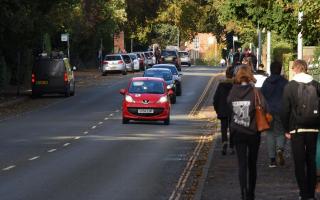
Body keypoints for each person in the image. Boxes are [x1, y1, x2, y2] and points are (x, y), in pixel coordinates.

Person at [281, 59, 320, 200]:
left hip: (296, 129)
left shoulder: (289, 87)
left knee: (299, 162)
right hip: (314, 128)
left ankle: (303, 193)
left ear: (295, 69)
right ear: (306, 68)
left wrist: (286, 129)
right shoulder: (316, 85)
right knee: (311, 161)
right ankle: (311, 193)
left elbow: (285, 110)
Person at [227, 65, 266, 200]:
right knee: (252, 164)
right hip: (253, 132)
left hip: (238, 131)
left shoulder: (233, 91)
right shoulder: (255, 91)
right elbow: (265, 107)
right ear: (250, 75)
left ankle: (243, 192)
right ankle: (251, 193)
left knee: (242, 164)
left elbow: (228, 107)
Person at [261, 61, 288, 168]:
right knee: (281, 132)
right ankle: (280, 149)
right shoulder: (285, 82)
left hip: (268, 112)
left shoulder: (266, 82)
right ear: (280, 69)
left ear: (271, 69)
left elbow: (262, 96)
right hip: (281, 111)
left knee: (270, 134)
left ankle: (272, 160)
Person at [213, 66, 234, 155]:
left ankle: (224, 142)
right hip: (233, 110)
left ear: (226, 74)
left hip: (223, 110)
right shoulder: (235, 85)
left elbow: (215, 99)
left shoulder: (221, 85)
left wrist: (217, 110)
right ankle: (232, 146)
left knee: (224, 128)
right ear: (233, 75)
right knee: (233, 128)